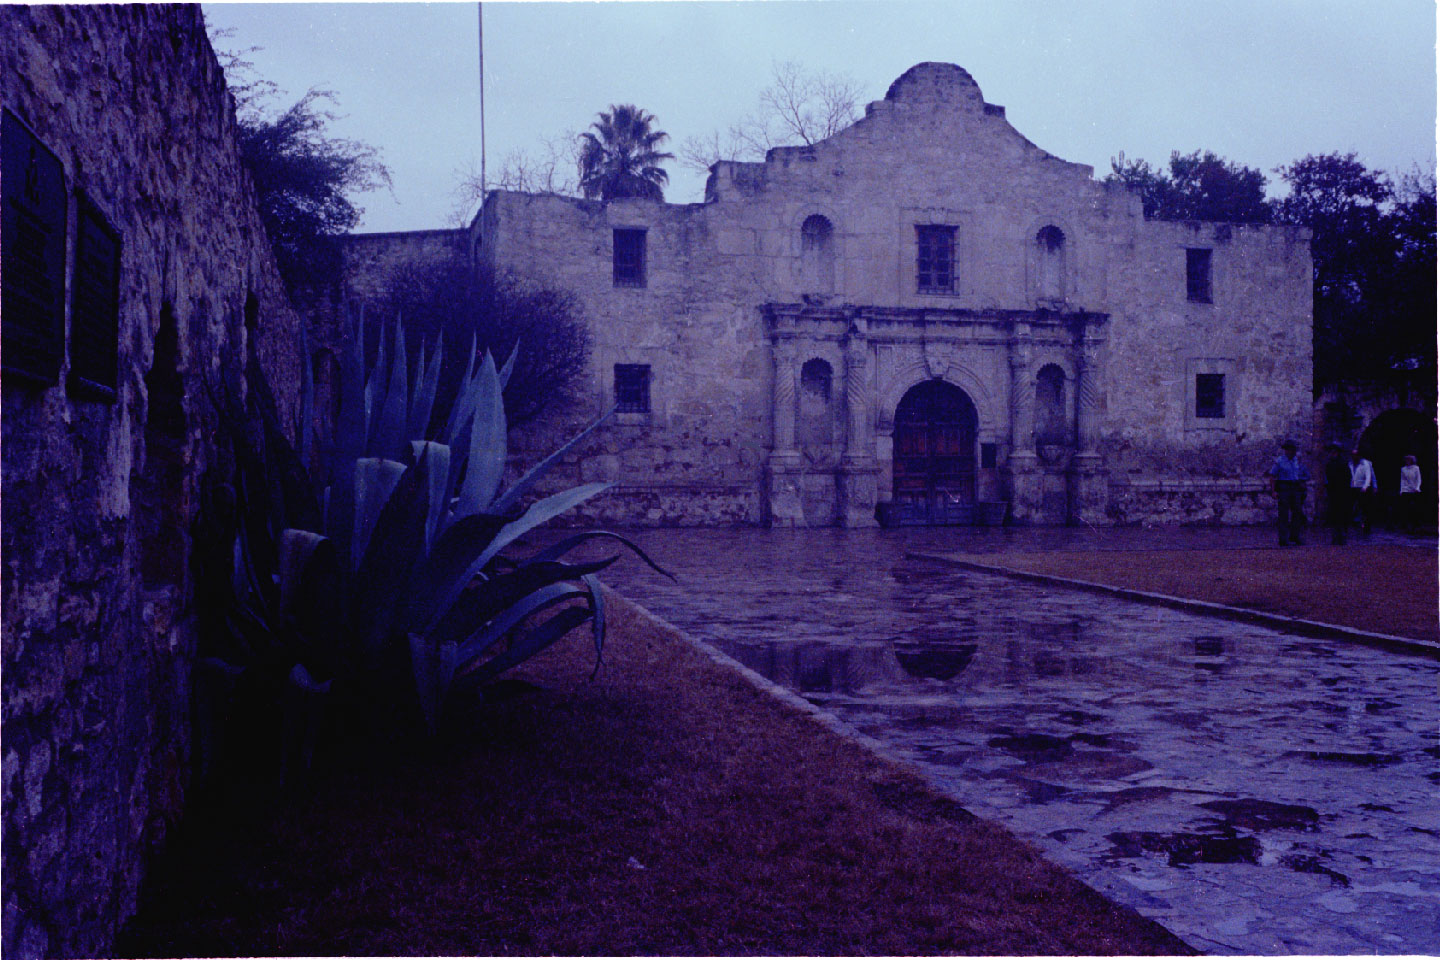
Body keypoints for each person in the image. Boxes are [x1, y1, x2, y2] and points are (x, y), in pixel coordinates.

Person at [1266, 439, 1309, 546]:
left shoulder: (1297, 460)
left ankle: (1294, 536)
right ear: (1286, 450)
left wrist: (1302, 483)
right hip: (1284, 487)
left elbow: (1302, 473)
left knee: (1297, 512)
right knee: (1283, 514)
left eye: (1293, 450)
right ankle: (1283, 538)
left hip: (1295, 487)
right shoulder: (1280, 461)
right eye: (1289, 450)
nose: (1292, 452)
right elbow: (1272, 476)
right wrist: (1273, 491)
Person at [1323, 442, 1351, 545]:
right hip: (1333, 492)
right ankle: (1335, 535)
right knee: (1334, 514)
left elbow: (1348, 477)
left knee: (1342, 514)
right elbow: (1327, 477)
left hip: (1342, 492)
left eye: (1334, 451)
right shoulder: (1329, 464)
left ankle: (1342, 535)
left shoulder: (1343, 463)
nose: (1333, 453)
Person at [1348, 448, 1377, 534]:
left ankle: (1366, 525)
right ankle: (1356, 522)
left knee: (1365, 507)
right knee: (1354, 506)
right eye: (1352, 455)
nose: (1354, 456)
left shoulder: (1365, 463)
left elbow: (1369, 476)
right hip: (1353, 487)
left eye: (1355, 454)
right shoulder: (1350, 464)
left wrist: (1366, 486)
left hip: (1363, 488)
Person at [1398, 454, 1423, 532]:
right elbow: (1403, 480)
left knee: (1414, 508)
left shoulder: (1416, 468)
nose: (1407, 461)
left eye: (1409, 460)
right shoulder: (1403, 469)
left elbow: (1419, 479)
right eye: (1406, 460)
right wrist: (1401, 490)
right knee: (1405, 508)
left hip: (1414, 490)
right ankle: (1405, 525)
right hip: (1406, 490)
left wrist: (1417, 488)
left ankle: (1415, 524)